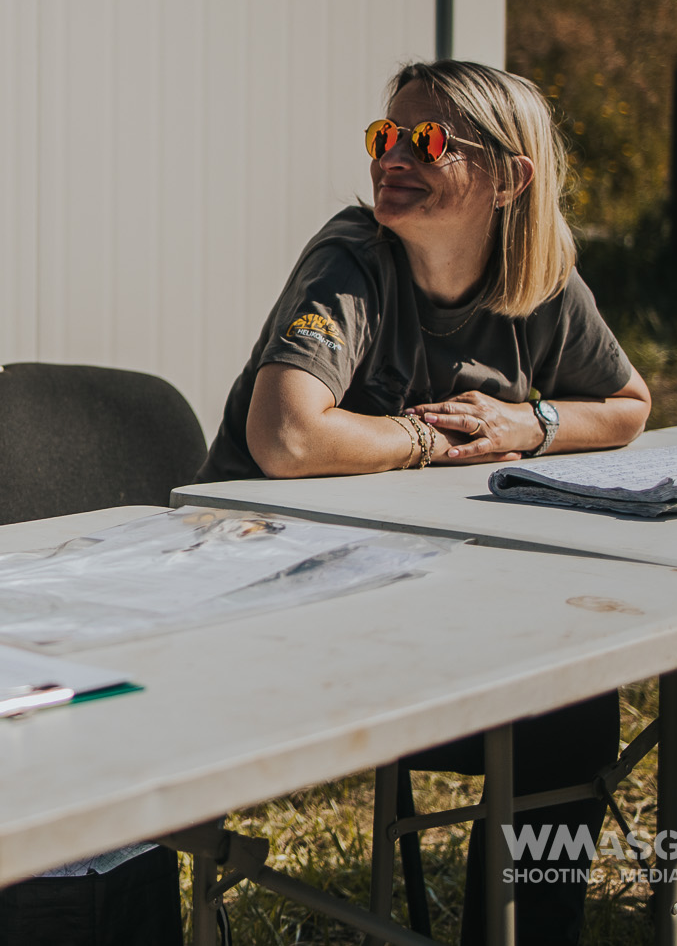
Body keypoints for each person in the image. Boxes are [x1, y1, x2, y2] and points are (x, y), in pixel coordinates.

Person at [203, 58, 653, 944]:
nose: (393, 157)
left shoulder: (542, 277)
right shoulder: (355, 256)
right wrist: (426, 438)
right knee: (556, 716)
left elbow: (629, 406)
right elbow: (286, 437)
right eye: (386, 136)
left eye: (427, 140)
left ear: (509, 178)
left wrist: (529, 424)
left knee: (574, 707)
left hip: (426, 591)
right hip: (273, 600)